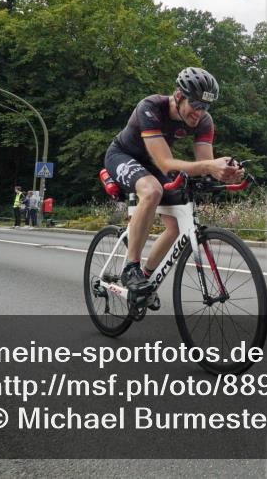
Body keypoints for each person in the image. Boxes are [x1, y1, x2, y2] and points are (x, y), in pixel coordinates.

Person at [104, 67, 243, 305]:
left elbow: (204, 163)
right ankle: (131, 268)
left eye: (206, 107)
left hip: (154, 165)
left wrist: (226, 172)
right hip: (124, 156)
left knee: (177, 224)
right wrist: (210, 166)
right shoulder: (150, 107)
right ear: (178, 96)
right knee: (152, 190)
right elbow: (166, 162)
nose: (200, 112)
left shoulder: (204, 121)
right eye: (196, 104)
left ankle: (145, 279)